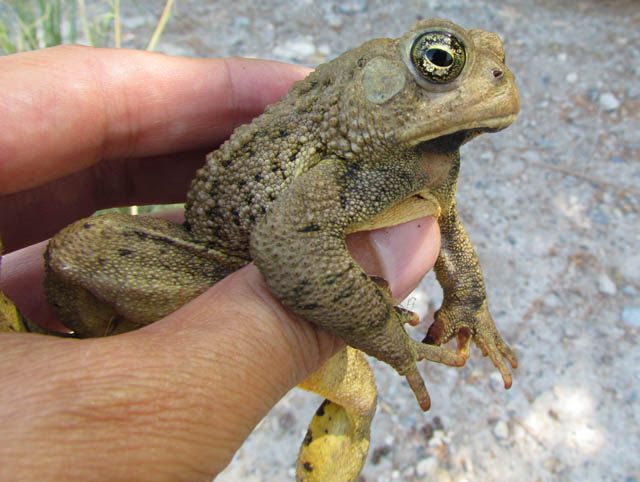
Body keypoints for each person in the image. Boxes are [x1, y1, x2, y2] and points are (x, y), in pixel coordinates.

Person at [0, 45, 441, 479]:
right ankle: (87, 345)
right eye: (439, 62)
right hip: (211, 257)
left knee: (360, 399)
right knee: (82, 248)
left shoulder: (413, 162)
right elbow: (294, 249)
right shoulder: (347, 141)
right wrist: (368, 319)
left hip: (257, 252)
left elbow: (443, 222)